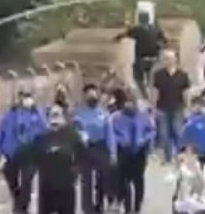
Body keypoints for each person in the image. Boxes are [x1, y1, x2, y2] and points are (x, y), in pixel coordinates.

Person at [0, 89, 48, 214]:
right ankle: (17, 198)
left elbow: (45, 129)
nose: (25, 99)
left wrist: (37, 111)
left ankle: (23, 207)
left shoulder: (37, 114)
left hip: (31, 153)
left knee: (26, 180)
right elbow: (0, 132)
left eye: (28, 96)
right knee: (9, 173)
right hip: (13, 152)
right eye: (23, 97)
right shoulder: (10, 114)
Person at [31, 104, 87, 214]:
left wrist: (76, 171)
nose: (54, 119)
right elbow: (34, 156)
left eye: (57, 115)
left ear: (63, 117)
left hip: (66, 184)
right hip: (47, 186)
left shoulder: (72, 135)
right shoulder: (42, 137)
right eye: (52, 115)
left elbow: (82, 154)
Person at [73, 83, 117, 214]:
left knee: (103, 177)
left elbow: (110, 134)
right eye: (89, 94)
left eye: (94, 93)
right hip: (85, 148)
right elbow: (76, 130)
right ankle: (88, 208)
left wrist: (113, 152)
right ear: (85, 96)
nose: (92, 96)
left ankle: (100, 204)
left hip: (101, 146)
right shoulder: (79, 113)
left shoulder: (103, 113)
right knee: (86, 180)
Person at [113, 92, 156, 214]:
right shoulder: (117, 117)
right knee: (123, 179)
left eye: (131, 103)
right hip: (124, 151)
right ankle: (124, 204)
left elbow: (152, 131)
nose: (129, 105)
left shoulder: (144, 116)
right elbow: (113, 133)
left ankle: (138, 205)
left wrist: (145, 139)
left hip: (139, 151)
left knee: (138, 179)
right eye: (127, 103)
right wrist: (121, 141)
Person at [115, 11, 167, 98]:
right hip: (154, 58)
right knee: (151, 78)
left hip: (141, 59)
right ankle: (151, 93)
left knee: (138, 77)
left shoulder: (137, 29)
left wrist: (116, 38)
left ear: (139, 20)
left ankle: (144, 95)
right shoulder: (156, 29)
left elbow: (124, 35)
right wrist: (158, 46)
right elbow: (164, 41)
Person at [152, 49, 190, 163]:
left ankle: (179, 155)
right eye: (165, 58)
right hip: (162, 107)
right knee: (164, 134)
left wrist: (187, 107)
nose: (167, 60)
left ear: (175, 59)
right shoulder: (158, 75)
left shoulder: (182, 75)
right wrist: (153, 107)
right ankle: (168, 157)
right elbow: (155, 92)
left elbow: (186, 93)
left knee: (178, 131)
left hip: (178, 107)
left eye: (170, 58)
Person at [172, 144, 205, 214]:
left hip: (200, 209)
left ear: (196, 156)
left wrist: (195, 169)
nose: (187, 156)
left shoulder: (203, 168)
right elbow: (175, 194)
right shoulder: (181, 170)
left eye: (190, 154)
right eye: (185, 153)